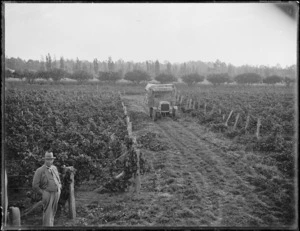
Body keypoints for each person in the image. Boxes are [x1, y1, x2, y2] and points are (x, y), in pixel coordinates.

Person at [32, 151, 62, 226]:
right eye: (48, 159)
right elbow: (35, 185)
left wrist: (59, 186)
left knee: (53, 212)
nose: (49, 161)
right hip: (47, 194)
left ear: (53, 160)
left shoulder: (54, 168)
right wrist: (43, 193)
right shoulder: (40, 170)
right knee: (47, 214)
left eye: (51, 159)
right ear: (45, 160)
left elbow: (58, 179)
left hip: (56, 193)